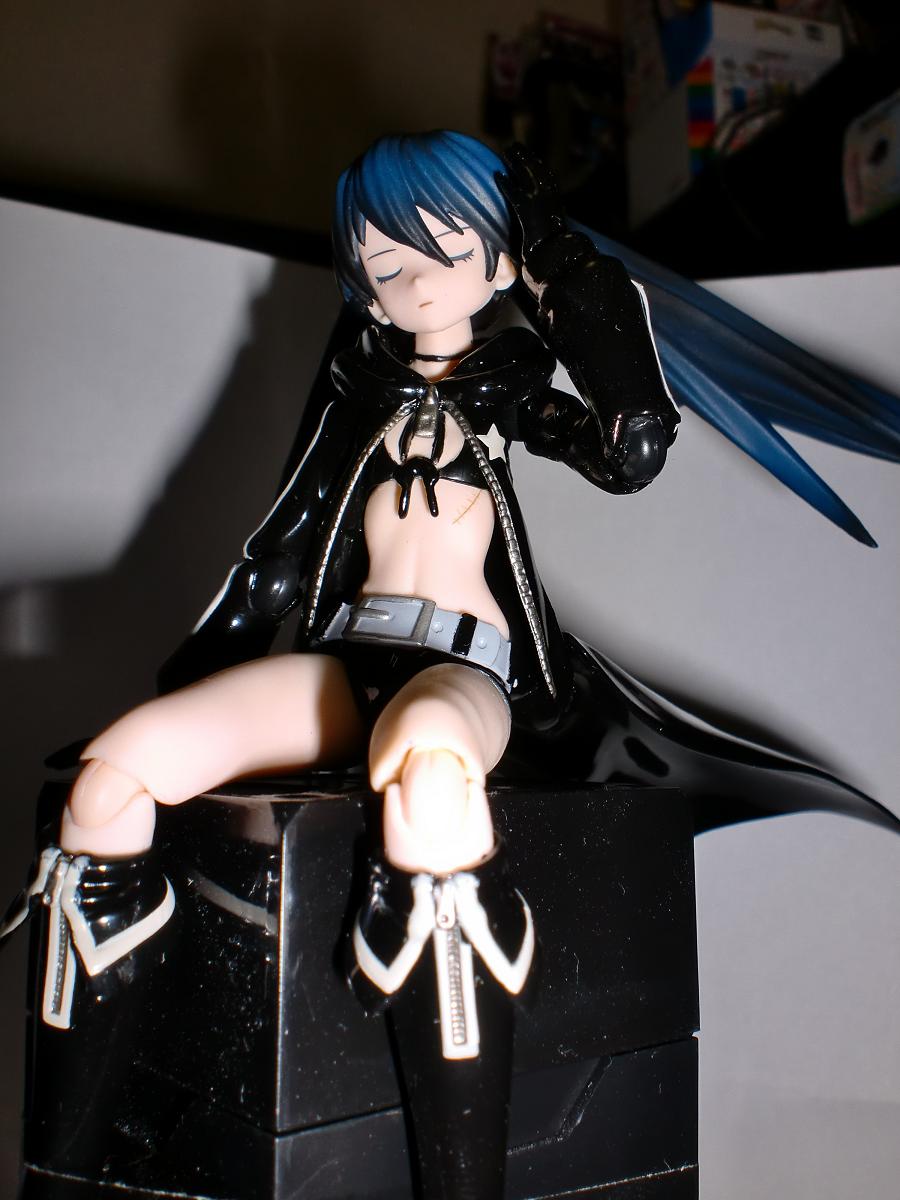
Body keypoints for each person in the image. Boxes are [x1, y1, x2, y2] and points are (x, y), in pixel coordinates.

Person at [1, 131, 679, 1196]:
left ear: (502, 259)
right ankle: (63, 1169)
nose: (414, 282)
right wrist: (202, 672)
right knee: (110, 778)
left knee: (432, 780)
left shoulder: (513, 389)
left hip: (463, 667)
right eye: (384, 261)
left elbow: (631, 447)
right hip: (343, 657)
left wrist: (563, 268)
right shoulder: (354, 390)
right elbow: (278, 549)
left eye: (447, 248)